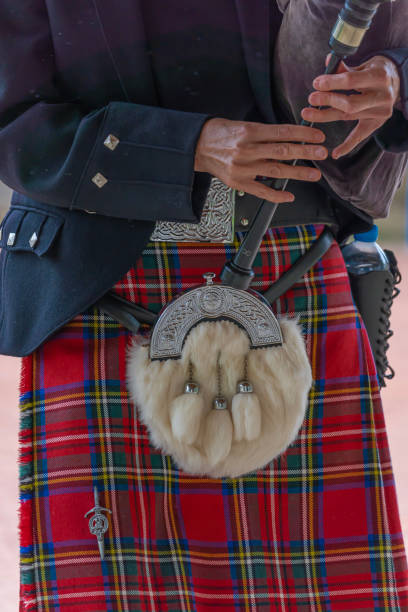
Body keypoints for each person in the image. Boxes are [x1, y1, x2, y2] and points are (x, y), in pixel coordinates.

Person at [1, 0, 408, 609]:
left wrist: (394, 82)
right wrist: (188, 145)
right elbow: (14, 121)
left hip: (290, 273)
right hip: (102, 289)